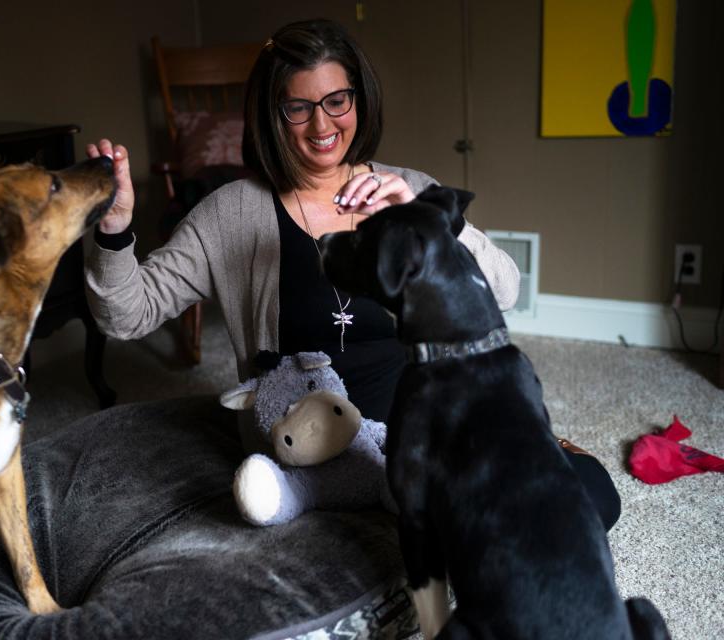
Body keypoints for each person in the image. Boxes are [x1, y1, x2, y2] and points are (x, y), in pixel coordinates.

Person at [83, 19, 620, 530]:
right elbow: (126, 316)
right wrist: (113, 229)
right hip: (314, 448)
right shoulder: (232, 213)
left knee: (589, 497)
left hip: (427, 425)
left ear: (358, 99)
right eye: (298, 107)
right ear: (273, 113)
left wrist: (425, 219)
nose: (323, 125)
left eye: (336, 101)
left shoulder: (406, 188)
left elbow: (504, 289)